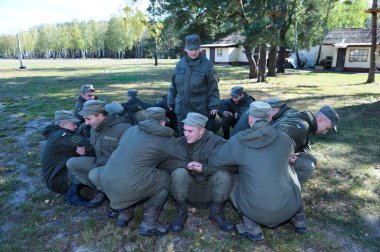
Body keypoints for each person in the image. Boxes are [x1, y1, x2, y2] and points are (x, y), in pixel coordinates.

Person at [189, 101, 304, 241]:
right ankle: (299, 219)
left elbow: (215, 160)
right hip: (289, 207)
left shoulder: (238, 140)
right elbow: (289, 155)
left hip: (256, 212)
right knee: (290, 170)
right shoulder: (284, 138)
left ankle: (252, 228)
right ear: (269, 119)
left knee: (231, 179)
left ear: (249, 119)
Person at [88, 107, 187, 236]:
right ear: (163, 122)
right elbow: (180, 159)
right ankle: (149, 224)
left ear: (146, 119)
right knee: (163, 179)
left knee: (116, 173)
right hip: (127, 186)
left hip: (106, 180)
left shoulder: (131, 130)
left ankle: (124, 213)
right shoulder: (167, 139)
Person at [170, 112, 234, 233]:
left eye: (190, 131)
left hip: (210, 190)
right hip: (188, 189)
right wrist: (184, 165)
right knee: (179, 172)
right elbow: (166, 162)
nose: (186, 134)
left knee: (223, 175)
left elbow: (231, 166)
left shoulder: (217, 142)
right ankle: (181, 212)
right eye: (184, 130)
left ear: (202, 130)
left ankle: (216, 212)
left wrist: (205, 168)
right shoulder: (180, 142)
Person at [67, 100, 131, 208]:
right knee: (72, 163)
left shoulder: (124, 128)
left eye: (88, 118)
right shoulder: (95, 127)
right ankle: (102, 189)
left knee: (94, 174)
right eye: (85, 119)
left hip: (117, 169)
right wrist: (86, 151)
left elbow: (132, 157)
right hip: (100, 164)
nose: (86, 123)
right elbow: (97, 149)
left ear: (100, 116)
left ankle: (115, 194)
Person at [167, 34, 220, 135]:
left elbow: (213, 87)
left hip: (199, 107)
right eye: (190, 49)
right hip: (182, 107)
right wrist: (170, 101)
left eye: (196, 49)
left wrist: (213, 105)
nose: (193, 52)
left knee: (199, 135)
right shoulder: (179, 64)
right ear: (185, 49)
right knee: (184, 133)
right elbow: (173, 86)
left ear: (200, 49)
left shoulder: (207, 65)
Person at [272, 105, 339, 184]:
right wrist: (288, 157)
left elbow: (304, 144)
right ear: (321, 119)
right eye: (327, 128)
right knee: (308, 166)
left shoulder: (308, 121)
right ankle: (284, 190)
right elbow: (275, 139)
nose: (325, 132)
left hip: (274, 153)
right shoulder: (303, 126)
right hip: (268, 157)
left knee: (312, 159)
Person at [41, 110, 91, 206]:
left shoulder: (56, 132)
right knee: (84, 165)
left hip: (56, 175)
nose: (76, 126)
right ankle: (71, 195)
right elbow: (86, 144)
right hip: (58, 181)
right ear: (63, 123)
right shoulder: (63, 136)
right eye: (73, 124)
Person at [231, 97, 298, 136]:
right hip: (240, 139)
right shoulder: (259, 117)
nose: (265, 113)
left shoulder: (253, 109)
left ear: (275, 110)